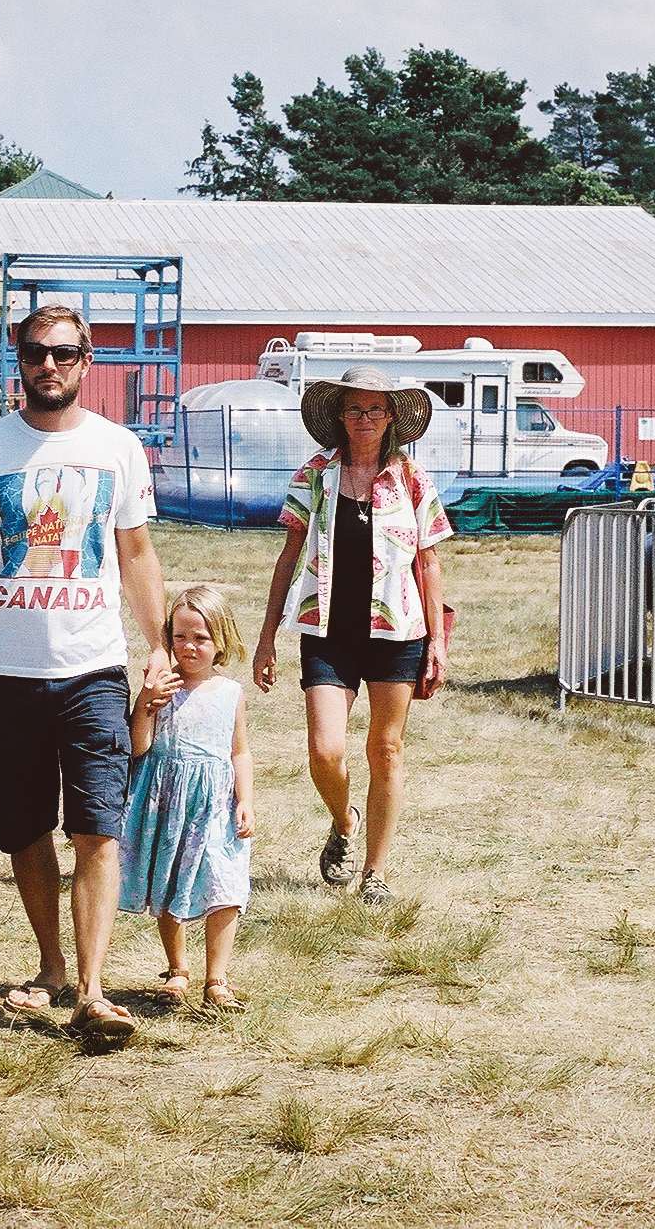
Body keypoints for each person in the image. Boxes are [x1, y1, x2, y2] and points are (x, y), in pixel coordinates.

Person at [0, 303, 169, 1045]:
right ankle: (52, 966)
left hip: (94, 668)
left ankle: (93, 992)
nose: (48, 365)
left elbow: (135, 554)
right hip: (6, 673)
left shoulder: (118, 448)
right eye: (35, 353)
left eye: (63, 353)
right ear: (18, 361)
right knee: (24, 828)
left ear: (86, 362)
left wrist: (158, 643)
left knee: (97, 827)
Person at [252, 366, 452, 906]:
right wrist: (267, 636)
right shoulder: (315, 474)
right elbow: (288, 556)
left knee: (385, 749)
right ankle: (344, 821)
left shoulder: (413, 479)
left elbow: (429, 563)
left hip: (398, 632)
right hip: (328, 631)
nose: (365, 418)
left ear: (391, 418)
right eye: (354, 409)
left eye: (375, 409)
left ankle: (375, 872)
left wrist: (437, 641)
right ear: (339, 416)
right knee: (325, 751)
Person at [118, 585, 255, 1013]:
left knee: (224, 885)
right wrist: (146, 702)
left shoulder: (230, 692)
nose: (189, 646)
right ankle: (177, 968)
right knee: (169, 880)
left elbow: (239, 751)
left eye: (201, 638)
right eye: (179, 636)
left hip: (215, 804)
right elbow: (138, 746)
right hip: (166, 802)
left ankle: (218, 977)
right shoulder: (163, 687)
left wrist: (245, 799)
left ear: (222, 640)